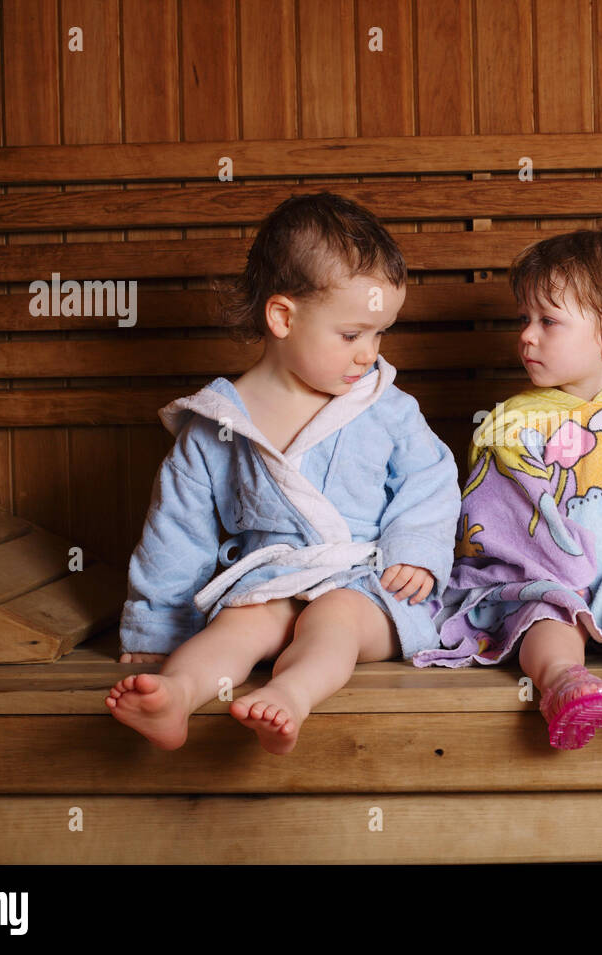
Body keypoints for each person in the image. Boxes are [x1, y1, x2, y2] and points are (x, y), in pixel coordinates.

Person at [106, 192, 460, 755]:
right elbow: (176, 533)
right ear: (283, 317)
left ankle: (292, 694)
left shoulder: (384, 407)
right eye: (352, 335)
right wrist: (153, 632)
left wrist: (415, 548)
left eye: (379, 333)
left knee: (334, 619)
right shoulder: (218, 424)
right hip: (271, 579)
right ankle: (176, 693)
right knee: (238, 626)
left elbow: (431, 480)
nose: (369, 353)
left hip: (366, 586)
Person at [413, 227, 602, 750]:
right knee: (545, 617)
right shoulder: (509, 424)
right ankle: (563, 682)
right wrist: (556, 572)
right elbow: (494, 517)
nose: (527, 335)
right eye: (524, 319)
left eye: (548, 321)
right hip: (545, 576)